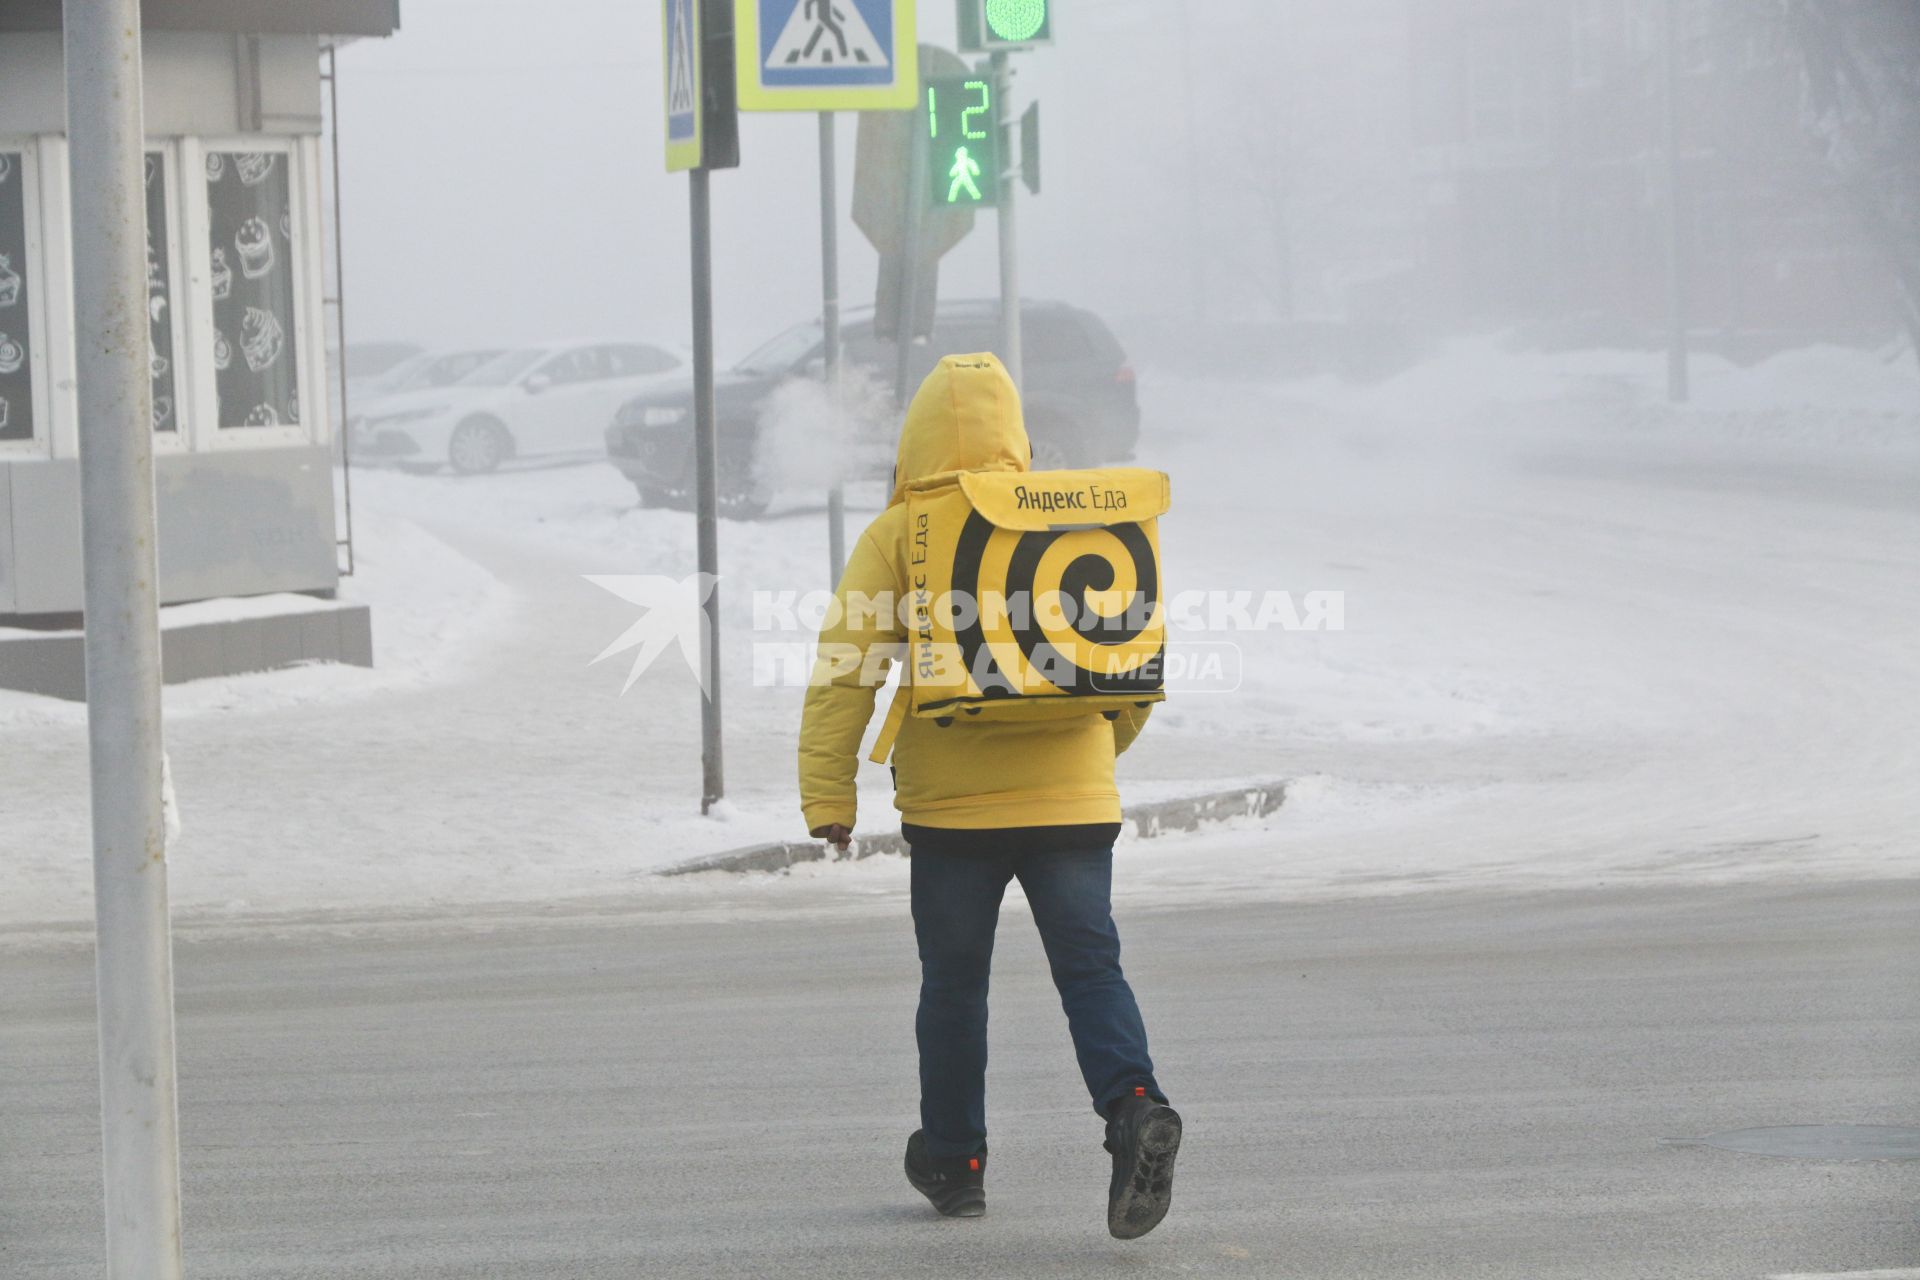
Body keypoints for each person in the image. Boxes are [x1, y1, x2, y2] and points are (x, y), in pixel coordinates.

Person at [797, 353, 1182, 1240]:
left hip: (953, 813)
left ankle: (956, 1160)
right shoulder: (1070, 520)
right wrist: (1092, 753)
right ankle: (1133, 1108)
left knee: (955, 986)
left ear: (914, 438)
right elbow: (1130, 664)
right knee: (1092, 971)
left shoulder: (904, 529)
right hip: (1076, 805)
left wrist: (830, 794)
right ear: (1016, 436)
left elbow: (844, 671)